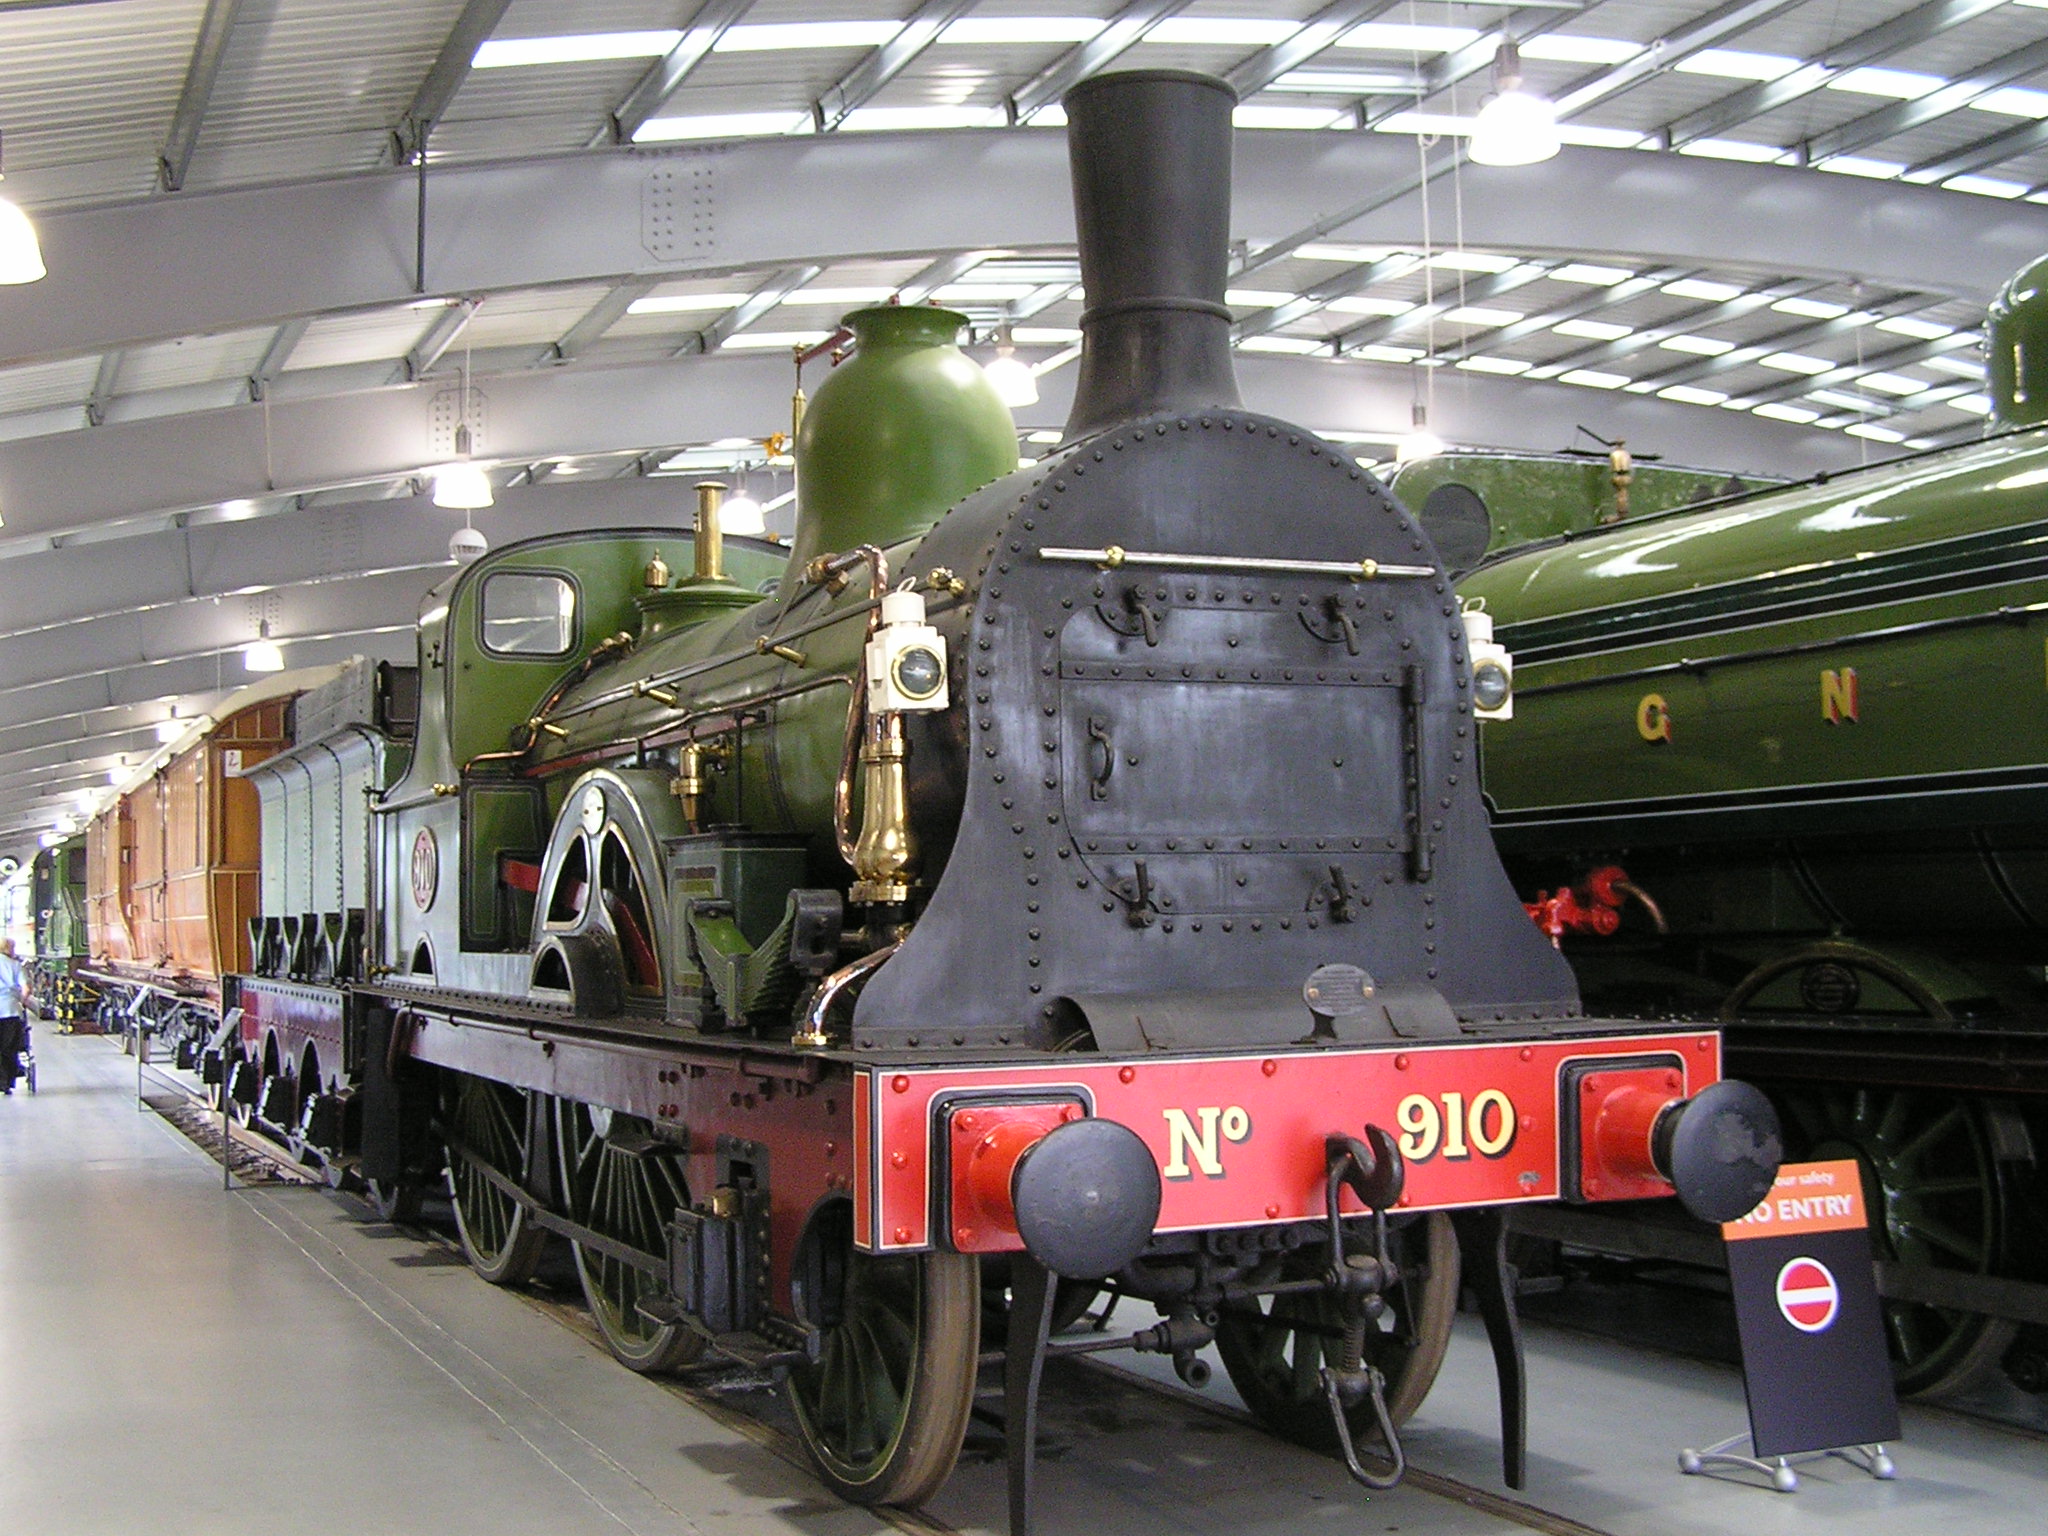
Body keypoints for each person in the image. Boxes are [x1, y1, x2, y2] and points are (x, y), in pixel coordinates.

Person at [0, 938, 26, 1094]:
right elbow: (26, 988)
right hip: (10, 1010)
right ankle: (6, 1083)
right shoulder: (15, 965)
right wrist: (21, 1002)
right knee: (9, 1048)